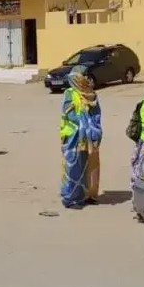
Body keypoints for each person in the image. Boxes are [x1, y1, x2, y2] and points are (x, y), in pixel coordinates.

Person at [59, 66, 102, 209]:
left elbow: (97, 114)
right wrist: (84, 123)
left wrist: (94, 129)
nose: (86, 78)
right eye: (83, 76)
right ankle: (71, 198)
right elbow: (69, 114)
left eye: (86, 75)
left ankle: (87, 194)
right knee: (74, 167)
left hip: (89, 137)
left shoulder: (92, 94)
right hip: (73, 137)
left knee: (90, 166)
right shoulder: (69, 93)